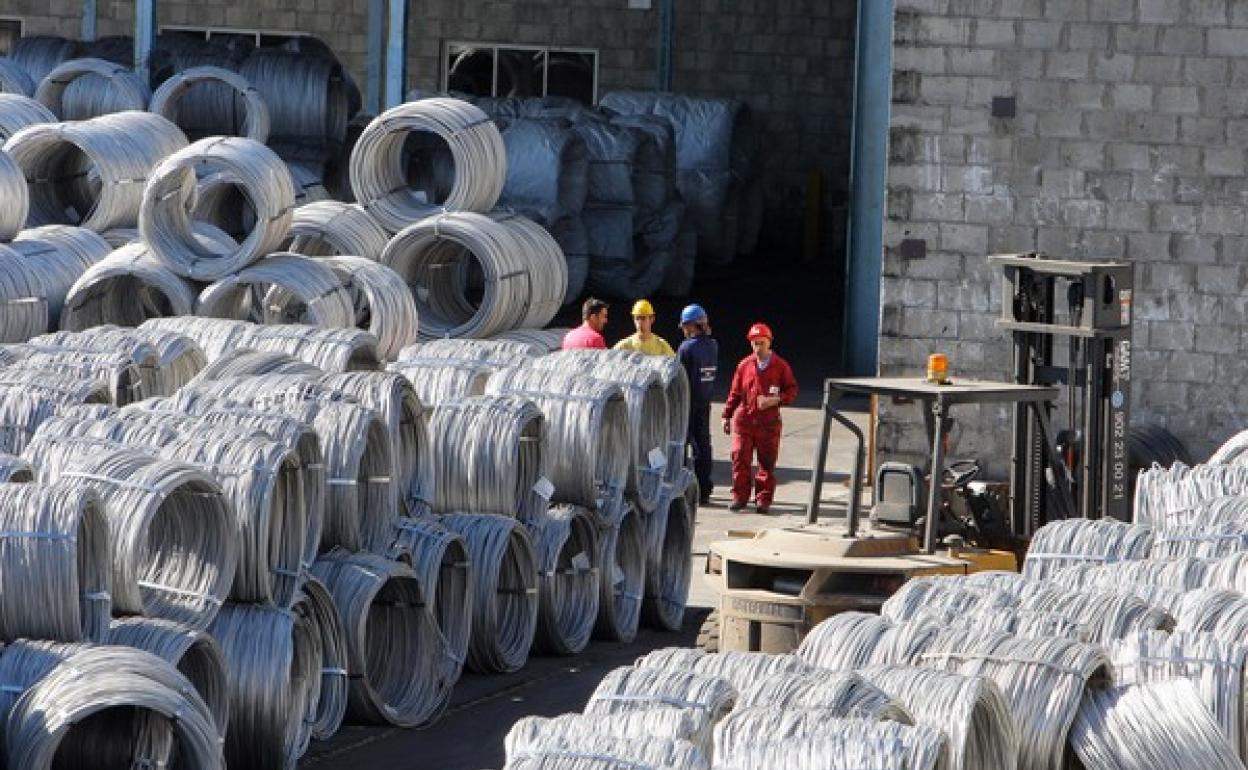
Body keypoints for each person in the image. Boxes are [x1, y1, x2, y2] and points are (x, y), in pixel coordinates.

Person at [722, 322, 797, 513]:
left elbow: (792, 390)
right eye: (754, 343)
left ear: (769, 343)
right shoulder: (744, 366)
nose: (758, 348)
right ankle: (740, 497)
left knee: (766, 463)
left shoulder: (780, 366)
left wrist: (775, 400)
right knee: (740, 457)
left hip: (768, 423)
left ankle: (763, 500)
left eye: (761, 343)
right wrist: (727, 415)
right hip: (745, 420)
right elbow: (735, 393)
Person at [677, 303, 717, 505]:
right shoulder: (713, 346)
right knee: (704, 446)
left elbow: (679, 378)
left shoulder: (687, 348)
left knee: (682, 446)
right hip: (705, 402)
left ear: (691, 326)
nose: (684, 330)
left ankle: (683, 487)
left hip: (688, 404)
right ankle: (704, 488)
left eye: (685, 326)